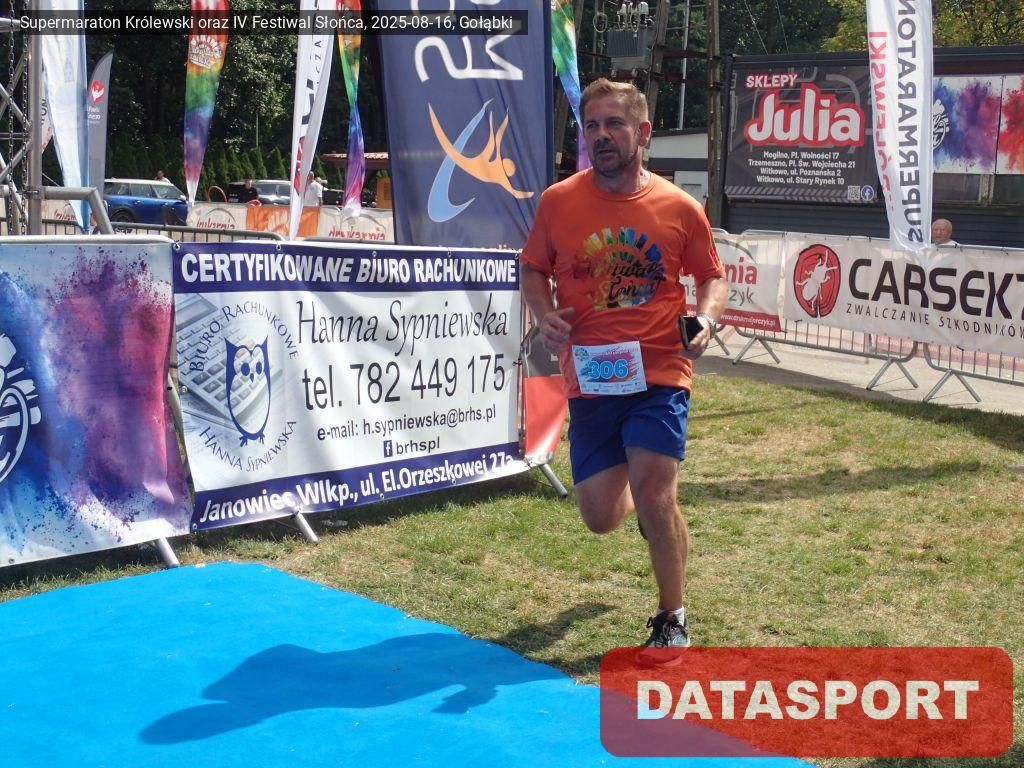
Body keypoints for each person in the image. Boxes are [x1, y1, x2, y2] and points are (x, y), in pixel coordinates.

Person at [520, 79, 727, 652]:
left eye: (614, 123)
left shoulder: (679, 206)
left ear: (644, 133)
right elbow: (533, 268)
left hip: (660, 371)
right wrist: (544, 313)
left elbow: (712, 276)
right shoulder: (558, 201)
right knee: (599, 516)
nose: (602, 135)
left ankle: (672, 615)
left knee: (656, 491)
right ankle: (646, 506)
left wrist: (706, 320)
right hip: (590, 375)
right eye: (592, 125)